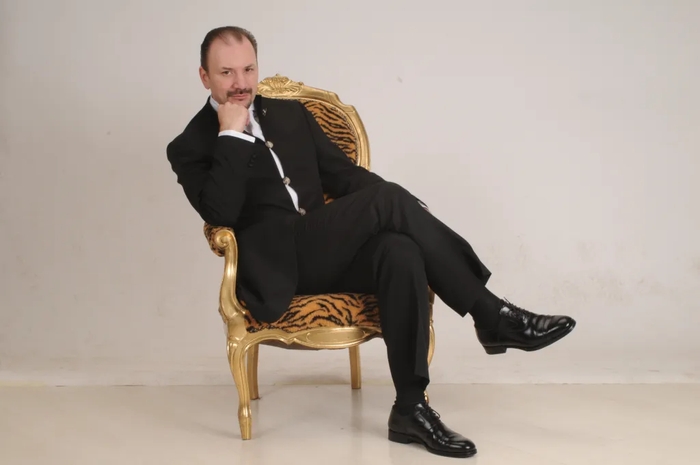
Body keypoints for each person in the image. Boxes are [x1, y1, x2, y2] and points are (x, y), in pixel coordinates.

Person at [166, 26, 576, 459]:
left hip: (326, 251)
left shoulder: (290, 114)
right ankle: (491, 314)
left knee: (401, 251)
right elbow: (220, 213)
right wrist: (230, 136)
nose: (241, 83)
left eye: (248, 69)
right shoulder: (190, 146)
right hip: (276, 267)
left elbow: (344, 177)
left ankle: (410, 409)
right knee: (390, 201)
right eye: (227, 72)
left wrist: (406, 211)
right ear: (204, 76)